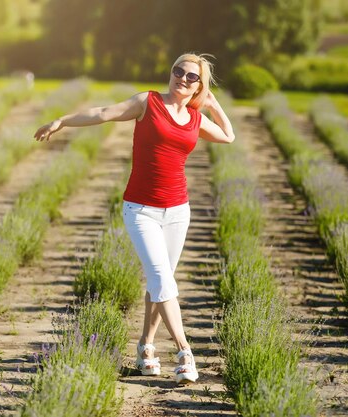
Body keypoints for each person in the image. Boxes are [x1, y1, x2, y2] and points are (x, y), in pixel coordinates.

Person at [34, 52, 235, 385]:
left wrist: (212, 104)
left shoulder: (195, 119)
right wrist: (63, 120)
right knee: (161, 277)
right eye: (178, 71)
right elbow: (103, 113)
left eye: (191, 77)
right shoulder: (148, 102)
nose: (182, 79)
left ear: (199, 85)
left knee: (161, 282)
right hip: (140, 209)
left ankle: (145, 346)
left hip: (177, 212)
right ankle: (185, 351)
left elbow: (228, 136)